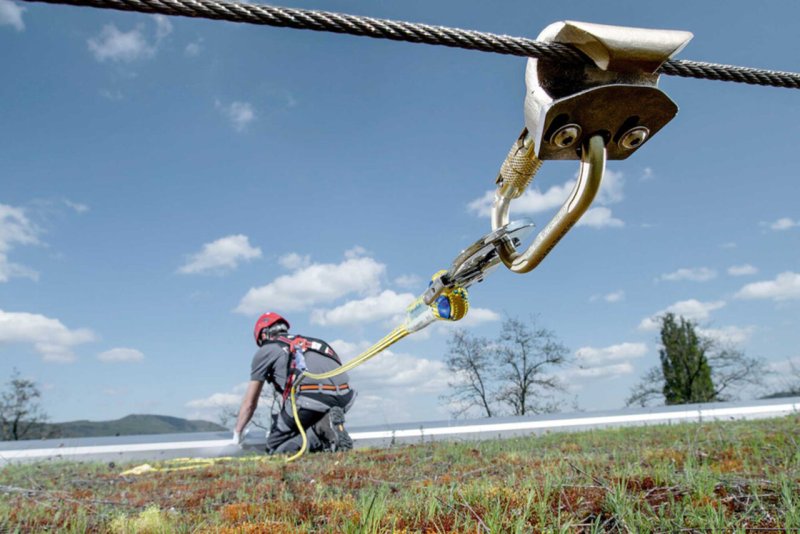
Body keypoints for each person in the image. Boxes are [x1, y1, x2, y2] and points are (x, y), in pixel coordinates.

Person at [233, 312, 355, 454]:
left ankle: (319, 434)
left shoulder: (267, 350)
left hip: (311, 398)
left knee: (275, 447)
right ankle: (328, 433)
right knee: (313, 412)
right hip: (345, 396)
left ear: (264, 335)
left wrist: (237, 433)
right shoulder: (317, 343)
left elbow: (249, 404)